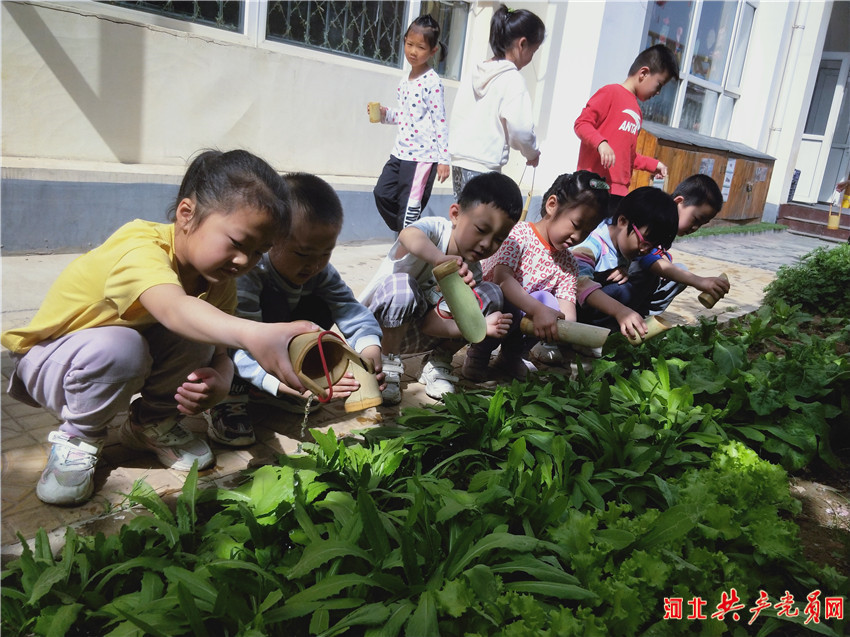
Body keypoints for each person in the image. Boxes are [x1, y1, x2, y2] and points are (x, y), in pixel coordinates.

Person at [0, 150, 319, 506]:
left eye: (260, 251)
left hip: (109, 360)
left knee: (198, 330)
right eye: (237, 244)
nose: (245, 261)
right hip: (50, 362)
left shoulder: (217, 279)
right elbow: (173, 309)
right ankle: (80, 436)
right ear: (187, 214)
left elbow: (217, 351)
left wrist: (223, 379)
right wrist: (255, 333)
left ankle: (150, 425)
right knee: (124, 345)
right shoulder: (139, 247)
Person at [206, 173, 386, 446]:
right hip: (239, 349)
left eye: (325, 253)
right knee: (245, 330)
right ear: (272, 240)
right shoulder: (250, 274)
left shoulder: (321, 272)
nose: (314, 265)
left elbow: (351, 311)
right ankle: (230, 398)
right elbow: (237, 346)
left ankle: (271, 390)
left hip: (276, 349)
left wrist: (369, 351)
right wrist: (281, 383)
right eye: (302, 253)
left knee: (322, 306)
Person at [358, 172, 521, 403]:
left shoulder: (470, 271)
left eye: (498, 239)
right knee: (402, 285)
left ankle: (437, 362)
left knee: (490, 294)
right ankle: (387, 365)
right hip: (379, 332)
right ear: (455, 214)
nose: (487, 244)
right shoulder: (436, 230)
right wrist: (438, 258)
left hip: (417, 333)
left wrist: (479, 326)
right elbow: (408, 235)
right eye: (481, 230)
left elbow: (431, 324)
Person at [463, 171, 610, 381]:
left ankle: (511, 356)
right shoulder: (518, 235)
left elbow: (567, 307)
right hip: (492, 309)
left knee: (550, 304)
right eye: (576, 225)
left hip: (526, 319)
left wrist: (560, 324)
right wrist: (539, 309)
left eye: (587, 231)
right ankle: (478, 354)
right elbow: (502, 279)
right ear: (552, 205)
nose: (577, 236)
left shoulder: (569, 263)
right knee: (506, 298)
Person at [448, 4, 544, 199]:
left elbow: (459, 113)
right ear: (522, 44)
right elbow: (521, 131)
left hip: (459, 162)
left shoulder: (475, 71)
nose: (530, 58)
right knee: (480, 226)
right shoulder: (512, 79)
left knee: (464, 221)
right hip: (484, 167)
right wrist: (531, 153)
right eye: (533, 52)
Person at [574, 44, 680, 214]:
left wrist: (654, 165)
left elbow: (628, 157)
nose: (659, 92)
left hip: (618, 193)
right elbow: (581, 123)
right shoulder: (610, 92)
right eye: (659, 85)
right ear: (644, 73)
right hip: (593, 187)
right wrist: (601, 143)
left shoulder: (637, 111)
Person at [372, 15, 450, 232]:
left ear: (433, 51)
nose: (413, 51)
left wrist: (444, 159)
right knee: (382, 193)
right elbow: (406, 116)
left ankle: (407, 245)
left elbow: (440, 121)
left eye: (421, 47)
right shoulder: (404, 81)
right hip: (400, 153)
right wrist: (384, 114)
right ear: (404, 40)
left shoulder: (433, 82)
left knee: (408, 212)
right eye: (409, 44)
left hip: (422, 158)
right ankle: (411, 235)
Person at [571, 186, 678, 341]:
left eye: (654, 247)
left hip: (595, 307)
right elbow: (578, 284)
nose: (646, 250)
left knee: (646, 275)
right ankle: (588, 336)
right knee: (624, 288)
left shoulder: (625, 245)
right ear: (622, 221)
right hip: (570, 309)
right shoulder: (591, 244)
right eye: (645, 242)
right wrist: (621, 311)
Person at [622, 174, 729, 316]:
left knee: (677, 272)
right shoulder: (655, 218)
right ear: (678, 202)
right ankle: (626, 316)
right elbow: (646, 259)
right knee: (660, 272)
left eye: (701, 225)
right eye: (696, 219)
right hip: (614, 278)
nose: (695, 228)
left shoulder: (667, 230)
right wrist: (697, 281)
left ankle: (643, 316)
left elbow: (657, 253)